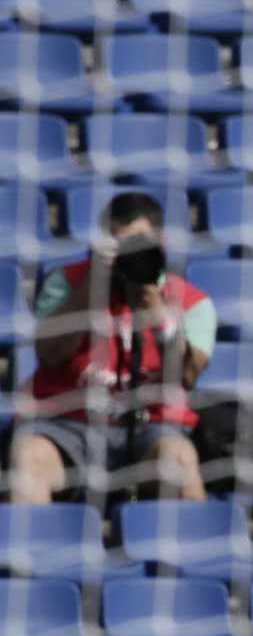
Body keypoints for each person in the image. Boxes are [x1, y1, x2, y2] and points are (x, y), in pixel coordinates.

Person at [9, 192, 214, 504]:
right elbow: (48, 354)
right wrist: (92, 288)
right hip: (68, 423)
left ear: (160, 242)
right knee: (29, 458)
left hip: (151, 427)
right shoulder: (66, 282)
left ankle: (195, 552)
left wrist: (156, 311)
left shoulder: (192, 302)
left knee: (180, 459)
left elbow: (185, 377)